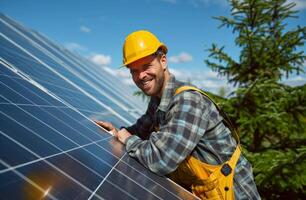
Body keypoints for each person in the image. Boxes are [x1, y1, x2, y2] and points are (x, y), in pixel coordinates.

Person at [95, 30, 260, 200]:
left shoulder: (188, 101)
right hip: (205, 192)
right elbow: (139, 130)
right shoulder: (158, 99)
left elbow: (160, 160)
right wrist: (116, 131)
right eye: (133, 71)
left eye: (146, 66)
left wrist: (127, 139)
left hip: (233, 193)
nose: (140, 76)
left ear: (163, 61)